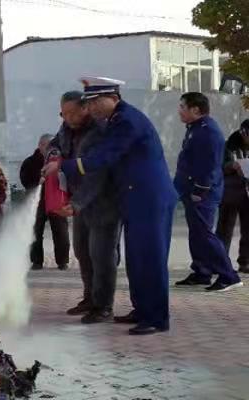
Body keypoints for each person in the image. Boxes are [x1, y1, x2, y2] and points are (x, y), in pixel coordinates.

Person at [45, 77, 178, 335]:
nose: (91, 108)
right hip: (134, 198)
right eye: (89, 103)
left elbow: (103, 157)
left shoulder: (126, 121)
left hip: (149, 197)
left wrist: (63, 165)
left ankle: (157, 318)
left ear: (113, 97)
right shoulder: (116, 120)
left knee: (150, 258)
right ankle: (142, 309)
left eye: (95, 102)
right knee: (136, 259)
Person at [49, 91, 121, 323]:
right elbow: (55, 145)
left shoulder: (100, 131)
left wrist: (77, 202)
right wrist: (53, 157)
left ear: (85, 109)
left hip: (103, 202)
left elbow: (98, 174)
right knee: (82, 251)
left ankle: (103, 306)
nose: (67, 118)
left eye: (71, 113)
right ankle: (89, 297)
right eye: (63, 113)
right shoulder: (66, 128)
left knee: (102, 255)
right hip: (79, 202)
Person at [174, 93, 243, 291]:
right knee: (197, 233)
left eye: (182, 107)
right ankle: (202, 271)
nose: (179, 111)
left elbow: (211, 166)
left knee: (205, 234)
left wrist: (200, 190)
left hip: (202, 192)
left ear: (195, 109)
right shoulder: (195, 129)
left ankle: (229, 275)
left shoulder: (208, 131)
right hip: (191, 189)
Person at [20, 133, 70, 270]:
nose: (50, 148)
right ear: (40, 145)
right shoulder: (30, 162)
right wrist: (38, 179)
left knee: (61, 231)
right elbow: (24, 180)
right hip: (38, 201)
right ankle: (36, 261)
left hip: (56, 200)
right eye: (47, 145)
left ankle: (62, 261)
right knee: (35, 231)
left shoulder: (59, 160)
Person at [216, 119, 249, 274]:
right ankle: (220, 262)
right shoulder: (229, 145)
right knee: (224, 229)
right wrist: (232, 166)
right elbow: (219, 166)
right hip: (231, 192)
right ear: (242, 132)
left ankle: (246, 263)